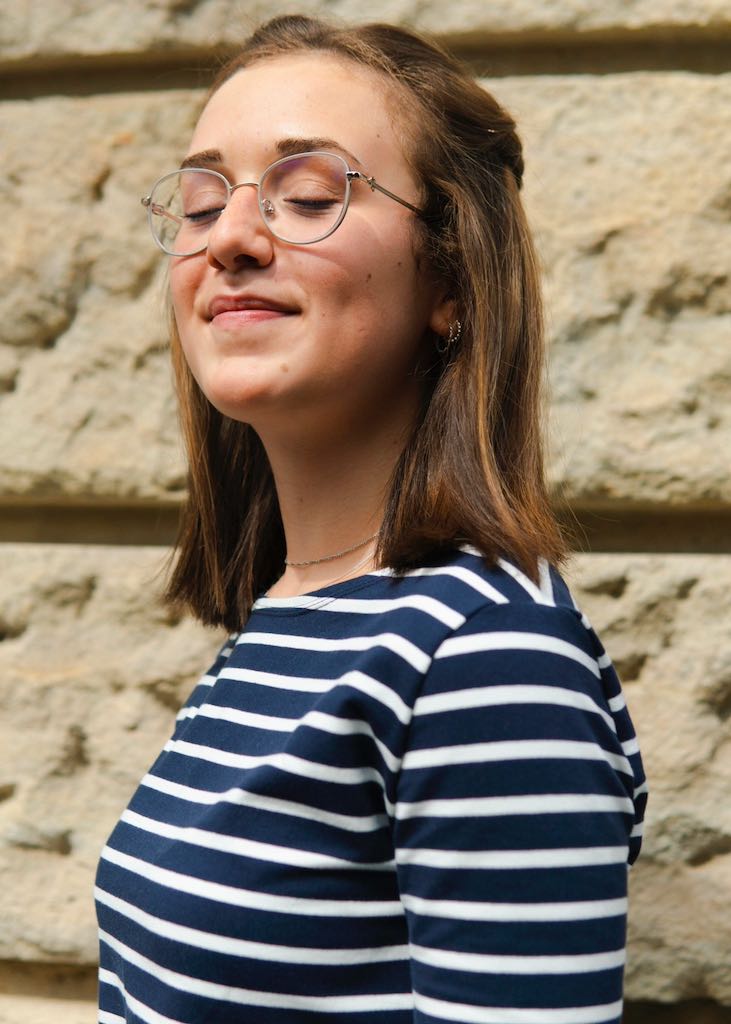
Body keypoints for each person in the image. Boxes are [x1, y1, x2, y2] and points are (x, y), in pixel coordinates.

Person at [95, 14, 646, 1024]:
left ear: (447, 279)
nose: (231, 237)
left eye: (309, 194)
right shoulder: (290, 620)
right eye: (200, 199)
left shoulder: (484, 657)